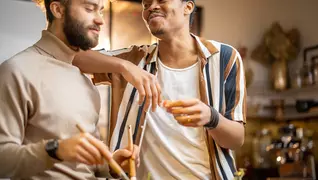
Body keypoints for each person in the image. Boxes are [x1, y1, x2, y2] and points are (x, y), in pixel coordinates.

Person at [0, 0, 162, 179]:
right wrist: (55, 150)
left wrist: (111, 164)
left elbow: (82, 163)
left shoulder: (84, 79)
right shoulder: (16, 71)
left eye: (100, 11)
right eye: (89, 9)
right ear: (58, 10)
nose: (100, 20)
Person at [73, 0, 246, 179]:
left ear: (188, 6)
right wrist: (125, 67)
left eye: (161, 0)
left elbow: (236, 139)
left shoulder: (225, 58)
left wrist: (212, 118)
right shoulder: (134, 60)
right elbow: (74, 57)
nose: (152, 7)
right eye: (146, 4)